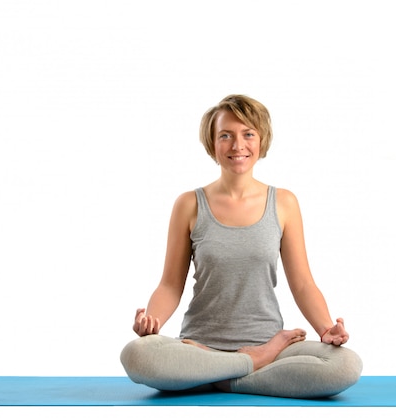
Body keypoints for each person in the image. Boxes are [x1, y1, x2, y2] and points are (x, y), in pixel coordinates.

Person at [120, 94, 362, 398]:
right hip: (199, 347)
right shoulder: (189, 204)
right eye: (226, 136)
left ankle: (216, 377)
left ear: (262, 140)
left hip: (271, 346)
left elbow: (302, 283)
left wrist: (326, 329)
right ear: (212, 143)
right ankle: (247, 365)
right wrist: (151, 324)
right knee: (137, 355)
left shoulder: (284, 203)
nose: (238, 145)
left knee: (345, 366)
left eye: (248, 134)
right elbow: (170, 285)